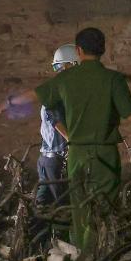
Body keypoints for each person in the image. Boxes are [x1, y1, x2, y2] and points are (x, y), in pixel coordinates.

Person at [0, 27, 131, 257]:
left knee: (80, 213)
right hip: (104, 156)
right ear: (103, 49)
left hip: (77, 155)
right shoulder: (113, 79)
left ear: (79, 50)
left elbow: (34, 95)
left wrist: (7, 104)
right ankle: (107, 260)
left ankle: (84, 259)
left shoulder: (65, 79)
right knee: (106, 211)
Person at [37, 44, 77, 206]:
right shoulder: (60, 90)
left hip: (45, 159)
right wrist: (72, 140)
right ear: (73, 65)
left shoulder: (59, 89)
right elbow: (54, 119)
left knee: (43, 206)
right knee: (63, 207)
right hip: (57, 160)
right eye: (57, 67)